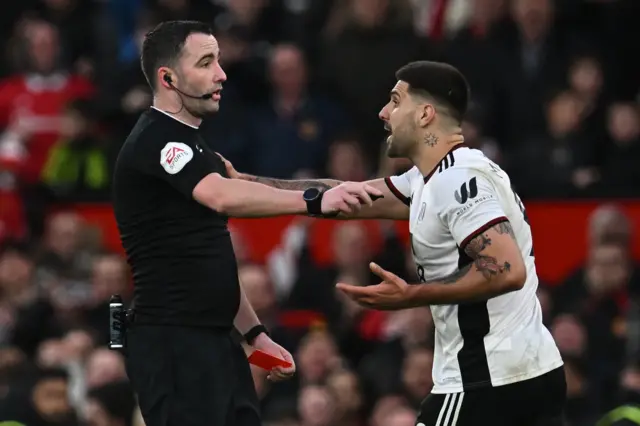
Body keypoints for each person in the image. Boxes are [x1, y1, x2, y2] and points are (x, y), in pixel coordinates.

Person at [221, 61, 566, 426]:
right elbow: (343, 197)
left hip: (487, 378)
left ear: (425, 114)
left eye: (395, 100)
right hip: (525, 370)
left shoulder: (457, 179)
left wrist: (410, 296)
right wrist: (248, 183)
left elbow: (506, 269)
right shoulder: (429, 180)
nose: (383, 112)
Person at [111, 20, 382, 426]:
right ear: (168, 78)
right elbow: (223, 194)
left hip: (217, 340)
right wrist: (312, 202)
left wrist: (255, 334)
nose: (221, 73)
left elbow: (211, 254)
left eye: (219, 60)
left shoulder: (197, 148)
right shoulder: (157, 140)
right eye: (205, 63)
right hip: (174, 343)